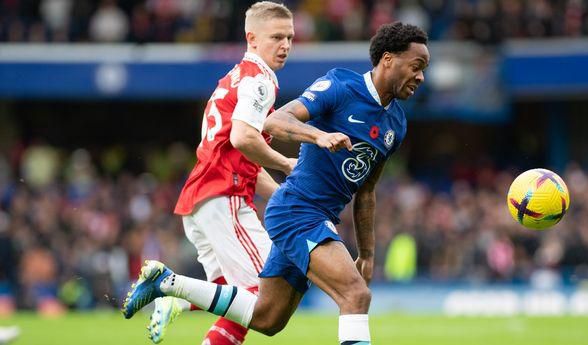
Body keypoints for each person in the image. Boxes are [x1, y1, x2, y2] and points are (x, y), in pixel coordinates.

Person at [123, 22, 429, 345]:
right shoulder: (341, 86)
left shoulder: (397, 123)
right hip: (298, 210)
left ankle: (171, 285)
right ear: (387, 60)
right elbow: (276, 119)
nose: (421, 77)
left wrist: (367, 254)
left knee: (266, 318)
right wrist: (319, 135)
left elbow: (366, 191)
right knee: (355, 295)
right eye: (416, 66)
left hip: (315, 216)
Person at [140, 2, 296, 344]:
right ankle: (169, 284)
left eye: (289, 37)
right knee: (263, 296)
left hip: (202, 199)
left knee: (234, 302)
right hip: (224, 198)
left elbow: (238, 153)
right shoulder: (260, 80)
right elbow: (243, 138)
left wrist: (286, 192)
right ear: (251, 38)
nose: (285, 45)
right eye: (277, 37)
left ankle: (178, 300)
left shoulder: (231, 79)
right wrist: (286, 164)